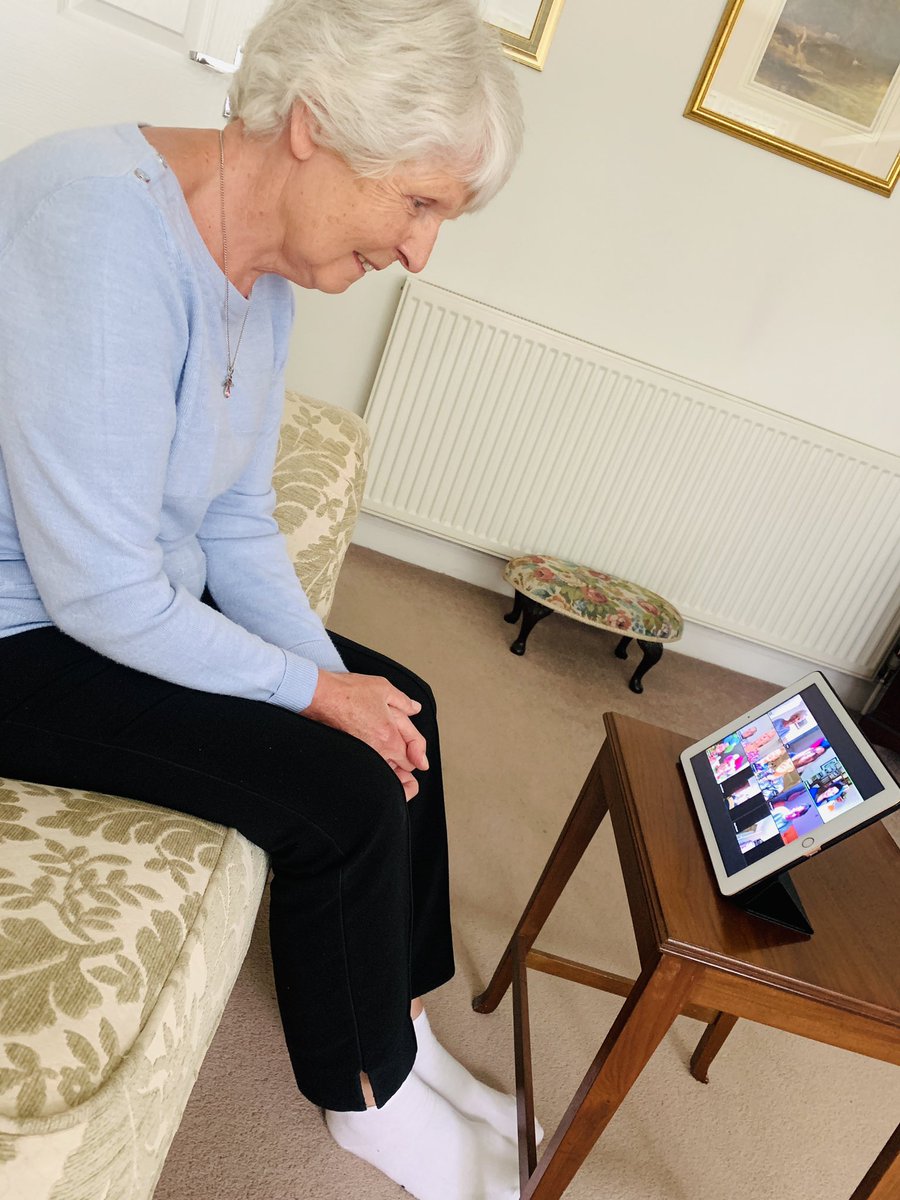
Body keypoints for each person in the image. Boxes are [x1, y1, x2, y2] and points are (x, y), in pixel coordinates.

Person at [0, 2, 526, 1196]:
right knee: (336, 791)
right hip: (24, 631)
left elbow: (233, 522)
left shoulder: (263, 273)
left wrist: (341, 687)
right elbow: (99, 591)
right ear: (312, 128)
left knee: (407, 704)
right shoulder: (95, 225)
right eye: (420, 202)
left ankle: (402, 1026)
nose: (420, 250)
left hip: (114, 602)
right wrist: (306, 696)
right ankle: (366, 1100)